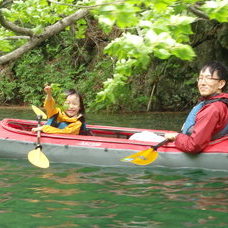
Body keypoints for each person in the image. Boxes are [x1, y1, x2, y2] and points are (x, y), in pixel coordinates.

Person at [165, 61, 228, 153]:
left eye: (208, 78)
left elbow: (193, 146)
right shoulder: (218, 103)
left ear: (221, 84)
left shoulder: (213, 108)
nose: (202, 83)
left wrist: (176, 137)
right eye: (200, 78)